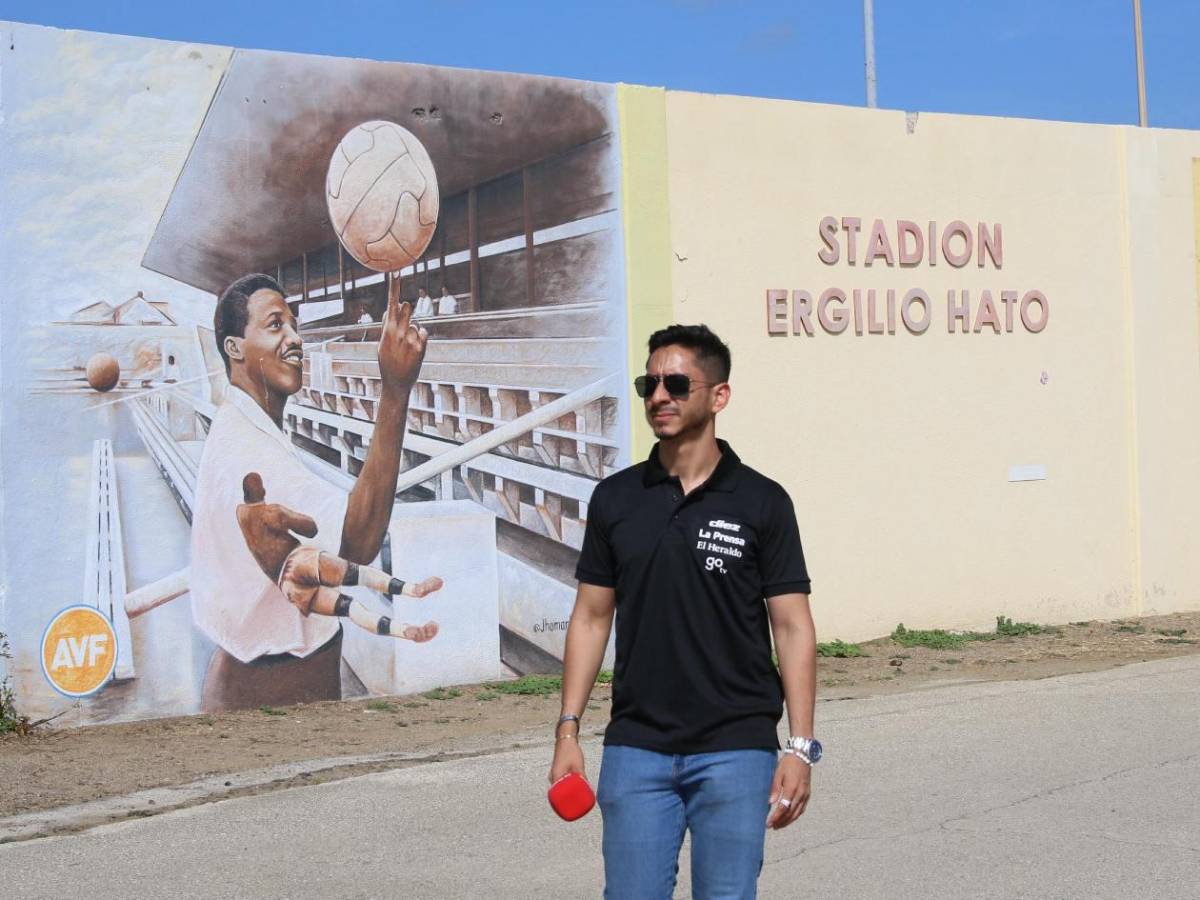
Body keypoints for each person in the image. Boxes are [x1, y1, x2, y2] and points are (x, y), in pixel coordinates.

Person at [549, 324, 818, 899]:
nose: (659, 396)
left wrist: (799, 747)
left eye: (675, 383)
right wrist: (568, 729)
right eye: (650, 383)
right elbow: (592, 618)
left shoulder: (762, 501)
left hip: (736, 750)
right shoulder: (617, 499)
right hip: (636, 750)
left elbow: (792, 627)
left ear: (718, 396)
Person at [190, 272, 429, 712]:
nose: (294, 338)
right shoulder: (249, 455)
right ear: (234, 348)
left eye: (295, 325)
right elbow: (357, 541)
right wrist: (395, 390)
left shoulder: (244, 427)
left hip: (268, 689)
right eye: (276, 325)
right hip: (268, 694)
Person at [236, 471, 441, 642]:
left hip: (288, 586)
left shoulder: (241, 513)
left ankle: (404, 631)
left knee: (350, 608)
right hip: (299, 562)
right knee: (360, 574)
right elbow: (311, 528)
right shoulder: (272, 513)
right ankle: (414, 590)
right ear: (262, 490)